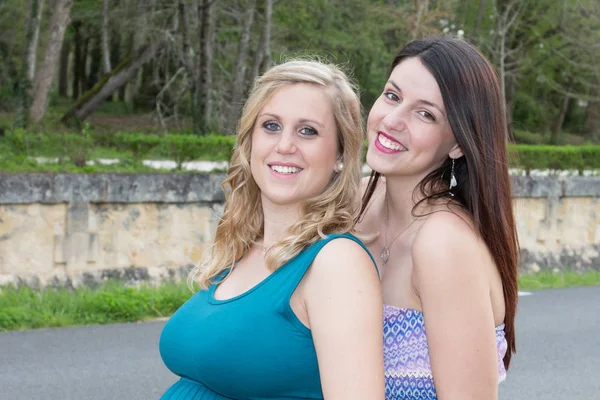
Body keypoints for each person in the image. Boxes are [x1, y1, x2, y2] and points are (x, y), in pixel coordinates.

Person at [159, 60, 385, 400]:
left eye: (307, 131)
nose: (285, 145)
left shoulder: (336, 263)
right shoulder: (243, 245)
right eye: (271, 126)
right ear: (250, 139)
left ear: (340, 154)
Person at [357, 37, 519, 399]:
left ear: (458, 143)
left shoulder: (443, 243)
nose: (392, 120)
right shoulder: (355, 205)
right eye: (392, 96)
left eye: (425, 113)